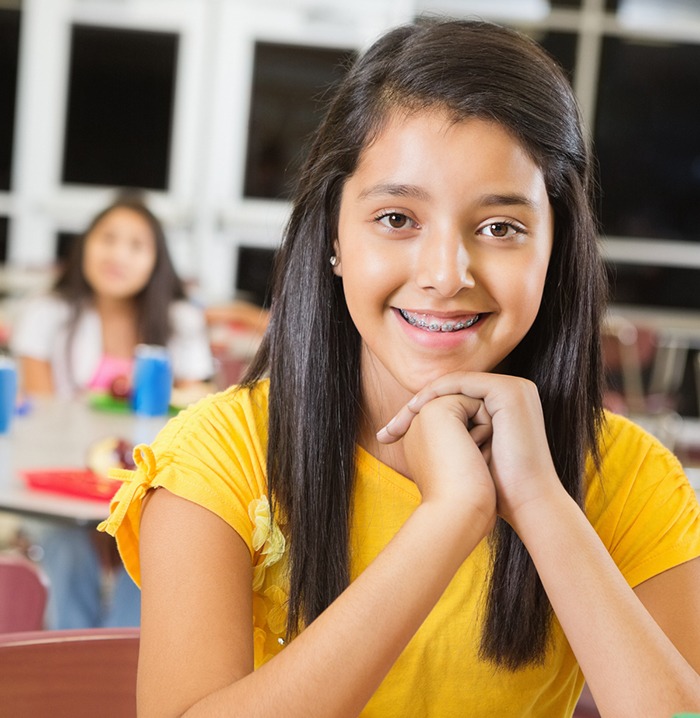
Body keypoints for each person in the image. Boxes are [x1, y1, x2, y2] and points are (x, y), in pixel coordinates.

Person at [100, 20, 700, 717]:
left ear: (556, 251)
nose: (445, 275)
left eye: (501, 227)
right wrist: (449, 518)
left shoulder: (625, 477)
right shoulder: (221, 457)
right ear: (334, 237)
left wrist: (539, 501)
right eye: (396, 219)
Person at [11, 193, 213, 629]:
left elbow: (197, 411)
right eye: (107, 239)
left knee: (153, 551)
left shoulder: (180, 321)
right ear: (85, 245)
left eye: (136, 245)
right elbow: (43, 420)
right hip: (58, 477)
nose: (118, 255)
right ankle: (74, 662)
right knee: (62, 544)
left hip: (147, 484)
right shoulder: (49, 313)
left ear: (156, 260)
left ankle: (118, 661)